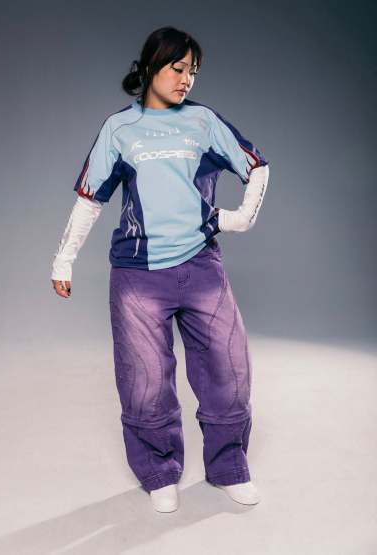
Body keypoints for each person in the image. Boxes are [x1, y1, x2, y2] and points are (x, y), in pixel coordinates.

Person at [51, 26, 270, 513]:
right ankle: (158, 471)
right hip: (137, 276)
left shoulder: (203, 121)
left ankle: (229, 468)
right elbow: (90, 197)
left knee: (229, 370)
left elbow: (257, 166)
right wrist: (63, 259)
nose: (186, 79)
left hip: (202, 266)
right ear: (151, 66)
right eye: (178, 67)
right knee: (145, 382)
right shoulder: (119, 129)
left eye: (193, 71)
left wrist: (238, 220)